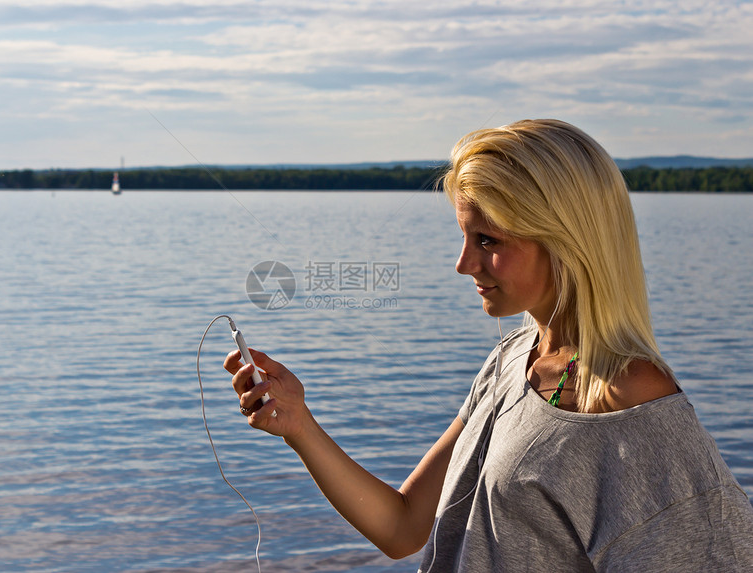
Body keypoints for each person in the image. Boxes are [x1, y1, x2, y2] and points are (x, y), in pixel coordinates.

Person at [224, 119, 753, 571]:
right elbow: (403, 528)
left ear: (566, 240)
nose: (463, 264)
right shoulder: (514, 359)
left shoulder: (630, 401)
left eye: (488, 241)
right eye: (464, 237)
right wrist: (298, 424)